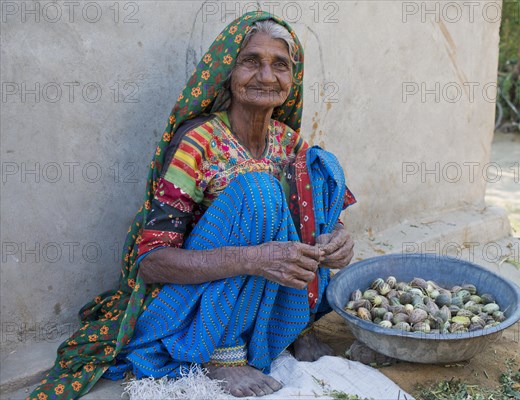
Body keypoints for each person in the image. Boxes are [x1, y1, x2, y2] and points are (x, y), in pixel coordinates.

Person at [28, 11, 355, 400]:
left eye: (280, 65)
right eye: (251, 61)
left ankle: (296, 326)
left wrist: (337, 238)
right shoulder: (198, 142)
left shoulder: (290, 143)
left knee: (321, 167)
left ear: (293, 78)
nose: (267, 76)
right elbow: (151, 261)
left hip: (267, 297)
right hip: (196, 303)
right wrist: (253, 258)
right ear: (227, 73)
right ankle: (222, 354)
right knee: (258, 191)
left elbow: (320, 216)